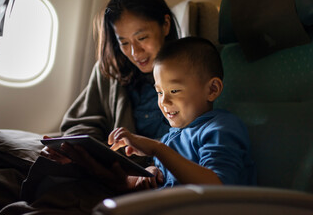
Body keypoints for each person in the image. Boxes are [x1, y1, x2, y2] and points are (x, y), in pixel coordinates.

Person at [41, 0, 179, 169]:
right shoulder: (110, 70)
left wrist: (154, 165)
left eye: (142, 38)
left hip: (153, 173)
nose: (135, 53)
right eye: (124, 43)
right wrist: (75, 150)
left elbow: (190, 141)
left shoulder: (190, 72)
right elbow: (83, 123)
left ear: (165, 25)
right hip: (107, 167)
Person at [108, 36, 256, 187]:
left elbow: (216, 187)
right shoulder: (170, 137)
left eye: (174, 90)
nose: (164, 101)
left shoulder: (221, 128)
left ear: (212, 89)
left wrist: (157, 149)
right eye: (159, 92)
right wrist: (153, 172)